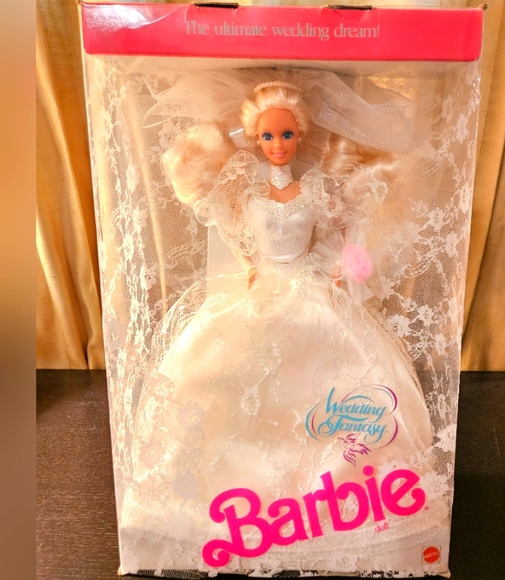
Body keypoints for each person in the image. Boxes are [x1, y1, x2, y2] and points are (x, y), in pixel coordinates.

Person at [122, 78, 440, 573]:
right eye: (268, 136)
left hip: (309, 287)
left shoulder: (314, 192)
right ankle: (228, 502)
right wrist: (250, 265)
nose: (277, 144)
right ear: (254, 138)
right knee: (231, 376)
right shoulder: (246, 194)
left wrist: (339, 267)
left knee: (328, 371)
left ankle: (337, 496)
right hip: (262, 289)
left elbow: (340, 229)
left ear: (300, 135)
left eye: (286, 135)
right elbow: (235, 233)